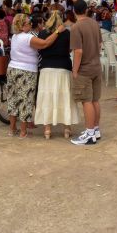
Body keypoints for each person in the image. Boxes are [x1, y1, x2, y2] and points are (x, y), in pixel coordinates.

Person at [6, 14, 64, 138]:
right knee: (25, 100)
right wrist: (58, 31)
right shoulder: (28, 38)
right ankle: (23, 132)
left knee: (13, 99)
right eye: (28, 23)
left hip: (12, 69)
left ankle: (12, 129)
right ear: (22, 26)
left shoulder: (15, 37)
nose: (31, 24)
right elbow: (45, 43)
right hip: (26, 71)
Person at [34, 11, 79, 140]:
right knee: (65, 97)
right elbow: (70, 50)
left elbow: (40, 49)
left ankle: (47, 129)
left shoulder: (42, 33)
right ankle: (66, 128)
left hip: (46, 69)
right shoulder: (67, 33)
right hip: (64, 68)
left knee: (47, 97)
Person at [70, 0, 104, 146]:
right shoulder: (94, 23)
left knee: (86, 101)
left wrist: (75, 70)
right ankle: (95, 129)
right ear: (85, 10)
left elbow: (78, 51)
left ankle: (89, 133)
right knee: (95, 100)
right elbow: (100, 44)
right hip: (96, 66)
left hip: (84, 68)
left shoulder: (76, 27)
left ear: (74, 11)